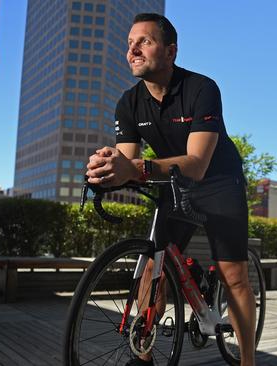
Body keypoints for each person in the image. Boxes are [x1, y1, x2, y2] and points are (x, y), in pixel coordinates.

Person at [85, 13, 256, 366]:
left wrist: (135, 168)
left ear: (171, 51)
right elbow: (128, 165)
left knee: (233, 274)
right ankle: (142, 355)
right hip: (174, 184)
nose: (132, 49)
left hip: (219, 182)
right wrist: (105, 170)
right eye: (129, 43)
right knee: (152, 268)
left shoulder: (201, 88)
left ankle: (248, 361)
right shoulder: (128, 103)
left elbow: (197, 162)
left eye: (143, 41)